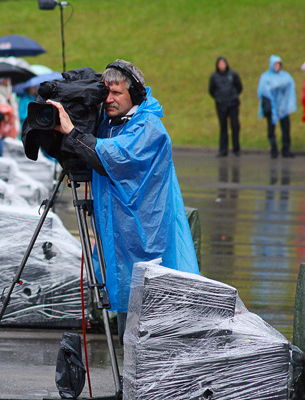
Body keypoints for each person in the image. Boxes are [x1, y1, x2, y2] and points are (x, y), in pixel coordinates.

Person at [47, 59, 199, 344]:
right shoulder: (111, 124)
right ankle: (127, 383)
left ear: (136, 94)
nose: (109, 99)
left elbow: (113, 156)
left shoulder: (150, 129)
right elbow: (95, 151)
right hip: (121, 238)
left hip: (147, 243)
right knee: (126, 329)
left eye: (116, 92)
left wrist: (74, 133)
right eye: (106, 92)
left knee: (148, 326)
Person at [258, 55, 297, 158]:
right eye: (275, 64)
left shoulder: (285, 76)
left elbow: (290, 88)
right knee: (271, 130)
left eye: (278, 64)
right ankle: (274, 149)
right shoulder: (265, 76)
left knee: (286, 129)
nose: (277, 66)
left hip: (283, 108)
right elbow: (263, 91)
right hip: (271, 108)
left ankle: (286, 149)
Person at [209, 56, 242, 157]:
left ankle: (236, 149)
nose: (222, 65)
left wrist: (233, 96)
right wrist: (219, 98)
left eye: (223, 63)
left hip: (233, 104)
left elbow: (239, 87)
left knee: (235, 125)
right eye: (220, 64)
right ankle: (223, 150)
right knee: (223, 127)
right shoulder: (214, 77)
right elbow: (211, 90)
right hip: (221, 105)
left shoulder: (233, 74)